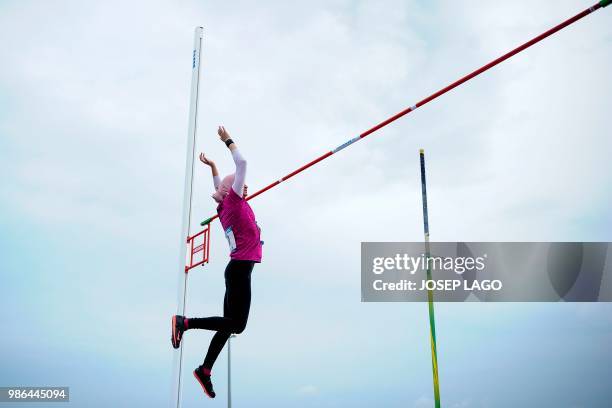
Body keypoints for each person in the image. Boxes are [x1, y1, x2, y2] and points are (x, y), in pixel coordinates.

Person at [171, 126, 263, 399]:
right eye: (238, 184)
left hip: (236, 270)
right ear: (230, 190)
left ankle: (205, 370)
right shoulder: (232, 203)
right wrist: (228, 142)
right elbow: (242, 163)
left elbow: (219, 186)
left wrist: (212, 166)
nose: (243, 186)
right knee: (237, 325)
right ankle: (185, 323)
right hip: (239, 271)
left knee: (227, 324)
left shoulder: (225, 205)